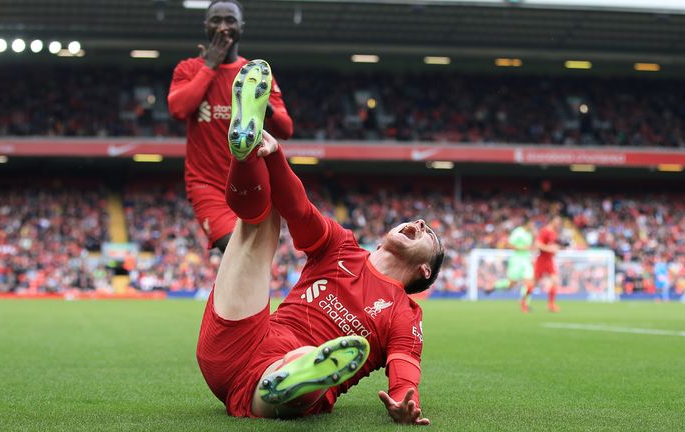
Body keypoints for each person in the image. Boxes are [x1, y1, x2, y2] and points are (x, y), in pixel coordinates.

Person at [196, 102, 443, 423]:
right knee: (266, 211)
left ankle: (297, 375)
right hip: (241, 339)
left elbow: (404, 369)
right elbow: (299, 210)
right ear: (384, 238)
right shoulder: (342, 247)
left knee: (302, 365)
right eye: (419, 222)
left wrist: (404, 401)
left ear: (425, 270)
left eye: (430, 236)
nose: (421, 223)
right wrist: (273, 155)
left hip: (271, 376)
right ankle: (244, 154)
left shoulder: (404, 313)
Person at [168, 0, 293, 252]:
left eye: (230, 20)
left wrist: (260, 102)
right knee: (234, 250)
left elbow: (286, 129)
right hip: (207, 186)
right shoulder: (188, 68)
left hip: (248, 181)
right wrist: (209, 67)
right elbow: (178, 109)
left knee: (252, 258)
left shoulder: (255, 75)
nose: (223, 27)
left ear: (241, 27)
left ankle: (236, 294)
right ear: (206, 26)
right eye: (216, 20)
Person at [490, 218, 535, 313]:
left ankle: (524, 302)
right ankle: (494, 285)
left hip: (526, 260)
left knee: (529, 282)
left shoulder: (530, 234)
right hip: (516, 260)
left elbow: (530, 247)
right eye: (532, 224)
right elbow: (508, 244)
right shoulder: (518, 232)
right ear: (527, 224)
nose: (533, 226)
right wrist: (521, 248)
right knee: (511, 284)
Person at [534, 215, 562, 313]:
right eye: (557, 222)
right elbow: (537, 244)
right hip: (542, 260)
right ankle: (523, 300)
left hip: (549, 260)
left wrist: (555, 250)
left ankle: (551, 304)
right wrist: (550, 249)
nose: (559, 224)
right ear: (552, 221)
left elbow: (551, 245)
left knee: (555, 280)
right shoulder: (545, 231)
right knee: (534, 282)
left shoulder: (554, 233)